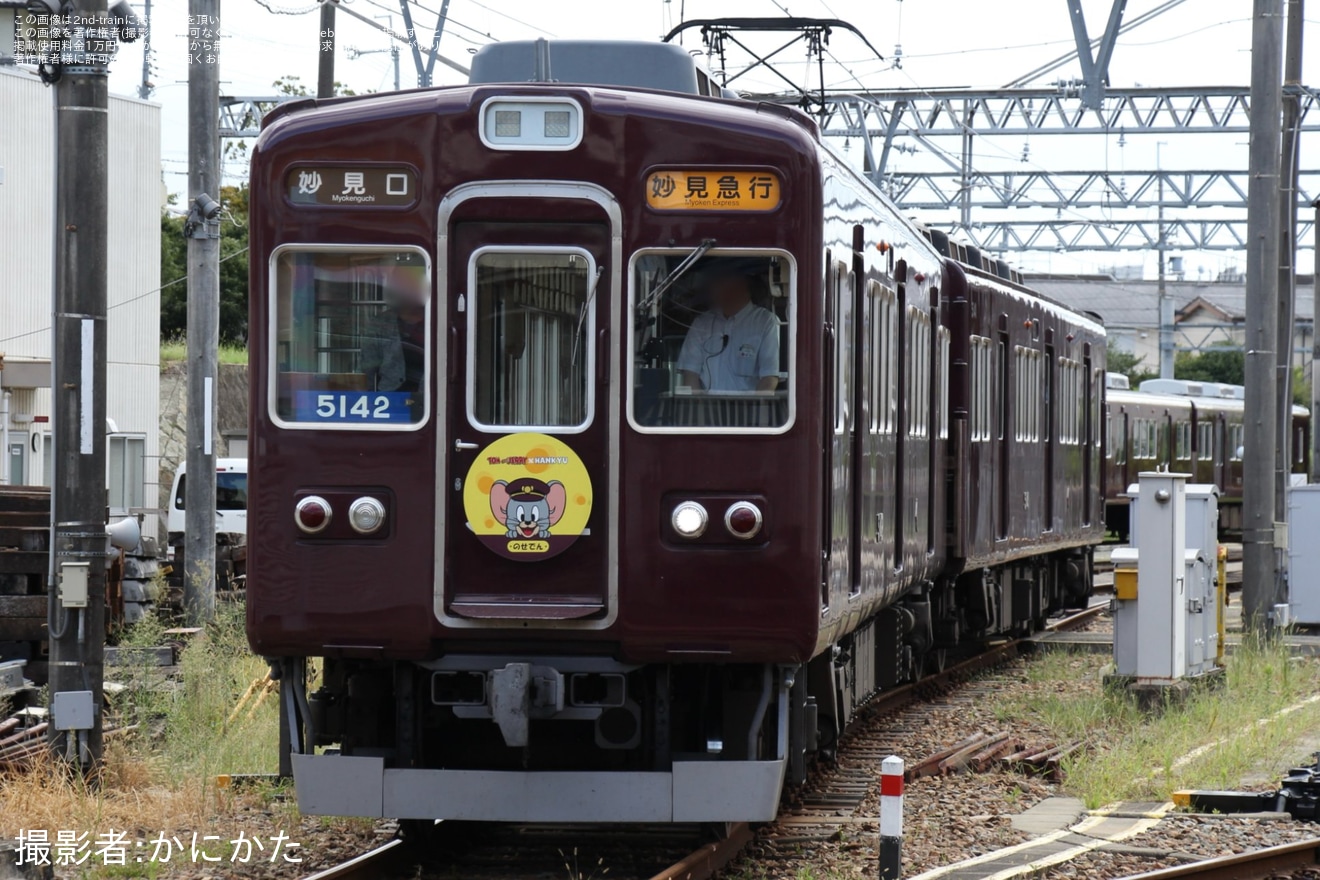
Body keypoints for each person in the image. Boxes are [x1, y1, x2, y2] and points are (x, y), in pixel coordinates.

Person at [676, 269, 780, 392]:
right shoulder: (702, 323)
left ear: (745, 287)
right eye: (718, 288)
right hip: (706, 407)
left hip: (748, 408)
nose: (722, 294)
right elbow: (690, 376)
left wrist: (756, 409)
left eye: (729, 288)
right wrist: (699, 409)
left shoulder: (766, 321)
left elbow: (769, 379)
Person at [360, 263, 427, 393]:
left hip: (432, 400)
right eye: (400, 283)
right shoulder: (380, 323)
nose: (404, 288)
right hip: (389, 401)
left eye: (410, 282)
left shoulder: (439, 321)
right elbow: (367, 368)